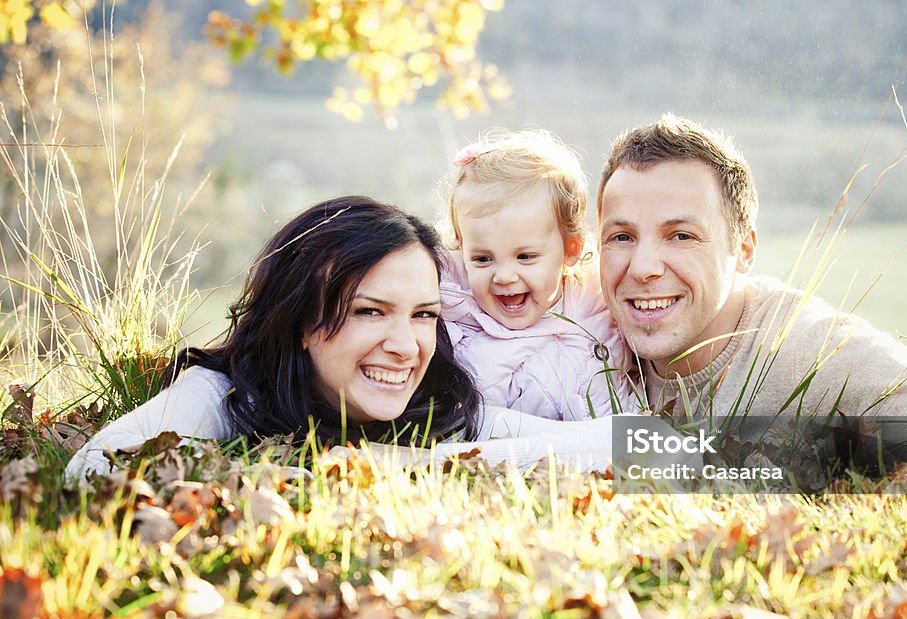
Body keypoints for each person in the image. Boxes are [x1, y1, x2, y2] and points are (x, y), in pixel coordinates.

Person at [596, 114, 907, 487]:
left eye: (681, 236)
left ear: (744, 250)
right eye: (621, 237)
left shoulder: (813, 353)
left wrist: (849, 498)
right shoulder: (581, 334)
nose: (642, 267)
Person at [65, 196, 620, 482]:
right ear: (302, 320)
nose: (406, 346)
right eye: (370, 311)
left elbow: (677, 452)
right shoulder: (227, 397)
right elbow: (91, 469)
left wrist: (419, 463)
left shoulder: (439, 407)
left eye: (423, 315)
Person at [441, 129, 635, 420]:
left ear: (570, 248)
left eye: (525, 257)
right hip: (519, 451)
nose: (504, 276)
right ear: (461, 250)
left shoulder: (600, 302)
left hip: (613, 438)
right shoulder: (459, 328)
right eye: (482, 259)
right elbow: (474, 423)